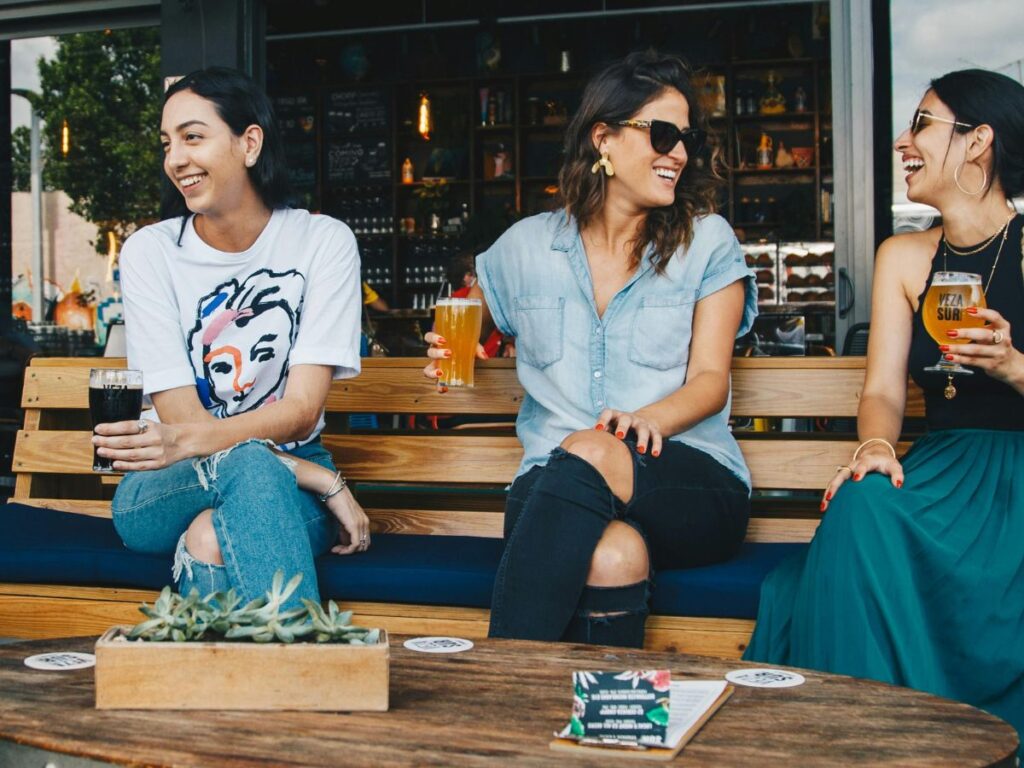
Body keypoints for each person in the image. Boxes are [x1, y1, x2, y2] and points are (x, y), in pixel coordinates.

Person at [425, 51, 757, 648]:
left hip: (686, 481)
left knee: (596, 449)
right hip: (552, 488)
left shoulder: (707, 242)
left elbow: (712, 381)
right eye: (661, 134)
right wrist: (457, 344)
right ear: (603, 138)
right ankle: (602, 728)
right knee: (613, 556)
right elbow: (468, 310)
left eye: (687, 138)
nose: (678, 152)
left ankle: (501, 675)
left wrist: (643, 422)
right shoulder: (526, 246)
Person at [745, 69, 1024, 741]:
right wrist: (873, 443)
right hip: (943, 466)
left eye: (923, 123)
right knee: (861, 502)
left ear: (977, 141)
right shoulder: (904, 257)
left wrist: (1014, 367)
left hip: (1017, 477)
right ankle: (862, 743)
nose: (904, 140)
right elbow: (882, 391)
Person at [97, 67, 371, 610]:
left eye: (193, 137)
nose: (175, 158)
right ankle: (308, 670)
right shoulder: (151, 253)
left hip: (283, 480)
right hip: (165, 483)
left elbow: (298, 413)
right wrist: (315, 475)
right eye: (167, 142)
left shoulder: (322, 242)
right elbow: (180, 424)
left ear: (249, 143)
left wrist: (292, 465)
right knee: (246, 467)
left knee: (209, 537)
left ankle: (228, 686)